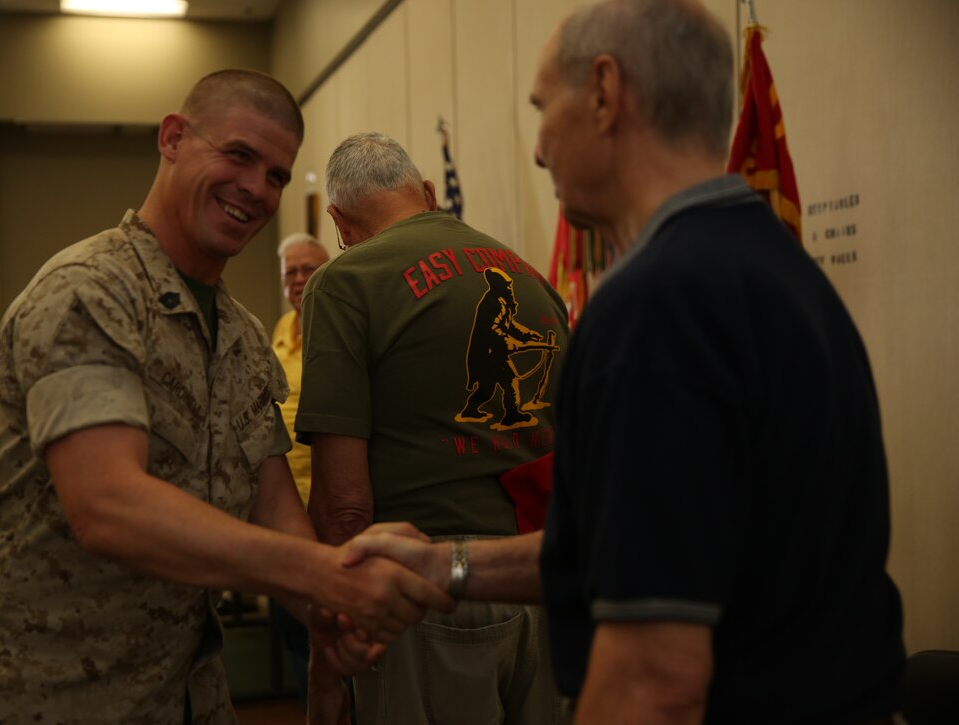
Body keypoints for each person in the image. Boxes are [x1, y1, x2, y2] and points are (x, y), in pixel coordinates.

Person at [344, 1, 907, 723]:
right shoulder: (781, 274)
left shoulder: (657, 304)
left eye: (543, 107)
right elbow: (636, 546)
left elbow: (653, 675)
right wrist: (449, 564)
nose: (540, 148)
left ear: (606, 93)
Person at [0, 69, 452, 725]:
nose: (257, 189)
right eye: (239, 155)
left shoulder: (241, 337)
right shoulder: (90, 292)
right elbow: (106, 505)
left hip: (180, 696)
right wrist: (321, 572)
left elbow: (272, 502)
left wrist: (332, 613)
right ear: (172, 138)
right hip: (40, 698)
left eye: (277, 175)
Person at [297, 131, 570, 725]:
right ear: (425, 192)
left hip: (425, 600)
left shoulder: (345, 281)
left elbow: (345, 508)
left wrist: (330, 653)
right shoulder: (532, 279)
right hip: (544, 588)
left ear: (339, 222)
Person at [269, 232, 331, 706]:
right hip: (281, 513)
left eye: (308, 268)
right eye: (291, 271)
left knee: (337, 631)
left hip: (333, 512)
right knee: (293, 633)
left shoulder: (341, 329)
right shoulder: (278, 333)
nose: (298, 279)